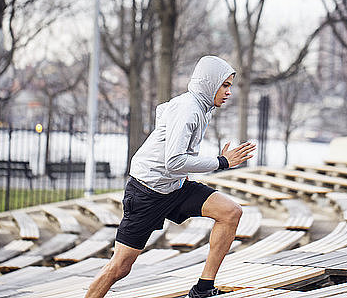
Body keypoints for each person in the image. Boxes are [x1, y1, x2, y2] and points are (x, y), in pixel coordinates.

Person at [85, 55, 257, 298]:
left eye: (230, 86)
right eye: (225, 85)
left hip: (174, 188)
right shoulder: (189, 108)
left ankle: (203, 289)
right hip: (146, 193)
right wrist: (221, 161)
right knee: (120, 267)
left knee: (231, 212)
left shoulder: (199, 107)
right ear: (209, 83)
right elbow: (174, 161)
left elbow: (162, 111)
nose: (229, 92)